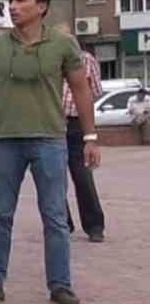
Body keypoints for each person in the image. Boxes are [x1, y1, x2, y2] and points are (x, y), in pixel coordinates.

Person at [0, 0, 100, 304]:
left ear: (41, 7)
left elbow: (81, 90)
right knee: (0, 213)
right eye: (10, 1)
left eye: (20, 1)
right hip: (6, 141)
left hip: (50, 140)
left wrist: (91, 138)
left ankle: (60, 285)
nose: (12, 6)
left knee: (54, 215)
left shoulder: (64, 45)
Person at [61, 48, 106, 242]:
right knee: (53, 176)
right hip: (52, 122)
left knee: (82, 176)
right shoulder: (47, 57)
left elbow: (95, 91)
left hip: (75, 123)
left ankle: (94, 226)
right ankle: (62, 223)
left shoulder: (86, 60)